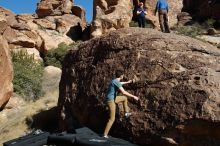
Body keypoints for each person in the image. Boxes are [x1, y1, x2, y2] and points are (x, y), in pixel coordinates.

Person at [103, 70, 139, 138]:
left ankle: (126, 113)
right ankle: (105, 134)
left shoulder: (114, 81)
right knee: (112, 119)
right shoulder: (116, 82)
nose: (123, 76)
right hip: (110, 101)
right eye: (123, 75)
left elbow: (120, 83)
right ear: (121, 75)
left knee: (124, 98)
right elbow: (124, 92)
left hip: (113, 98)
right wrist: (133, 96)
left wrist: (127, 82)